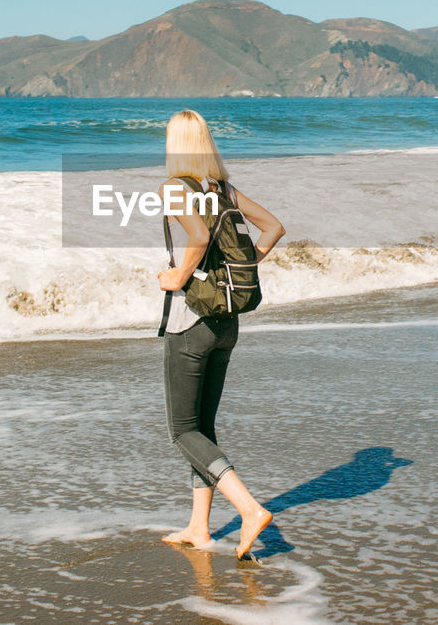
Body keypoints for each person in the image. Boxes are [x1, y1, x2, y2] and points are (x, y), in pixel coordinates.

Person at [156, 109, 284, 559]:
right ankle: (198, 527)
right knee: (203, 429)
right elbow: (273, 228)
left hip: (190, 323)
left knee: (182, 431)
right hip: (228, 323)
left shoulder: (175, 188)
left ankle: (250, 509)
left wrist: (180, 277)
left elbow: (196, 235)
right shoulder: (224, 189)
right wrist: (241, 270)